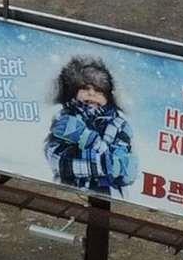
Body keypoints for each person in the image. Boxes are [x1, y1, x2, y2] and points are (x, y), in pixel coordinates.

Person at [43, 56, 133, 197]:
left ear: (108, 97)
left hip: (109, 194)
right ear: (75, 91)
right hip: (71, 191)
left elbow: (125, 168)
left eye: (99, 90)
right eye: (85, 88)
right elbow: (57, 160)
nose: (91, 93)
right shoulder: (65, 118)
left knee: (101, 212)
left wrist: (88, 141)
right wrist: (104, 162)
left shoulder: (120, 125)